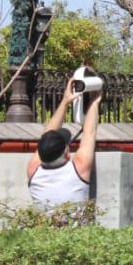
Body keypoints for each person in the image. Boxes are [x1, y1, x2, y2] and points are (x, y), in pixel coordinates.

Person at [26, 76, 101, 207]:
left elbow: (46, 138)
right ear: (66, 153)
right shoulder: (79, 169)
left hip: (42, 228)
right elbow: (89, 133)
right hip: (76, 229)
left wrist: (65, 101)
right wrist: (95, 100)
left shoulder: (33, 171)